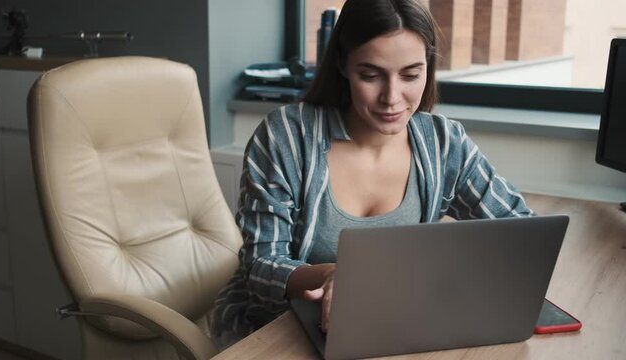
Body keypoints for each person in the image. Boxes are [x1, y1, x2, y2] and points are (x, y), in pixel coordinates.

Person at [209, 0, 533, 349]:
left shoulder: (443, 142)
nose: (392, 97)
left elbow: (519, 233)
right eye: (371, 75)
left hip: (388, 325)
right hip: (275, 330)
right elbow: (259, 268)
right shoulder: (286, 136)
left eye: (410, 75)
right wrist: (333, 275)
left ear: (429, 68)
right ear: (342, 65)